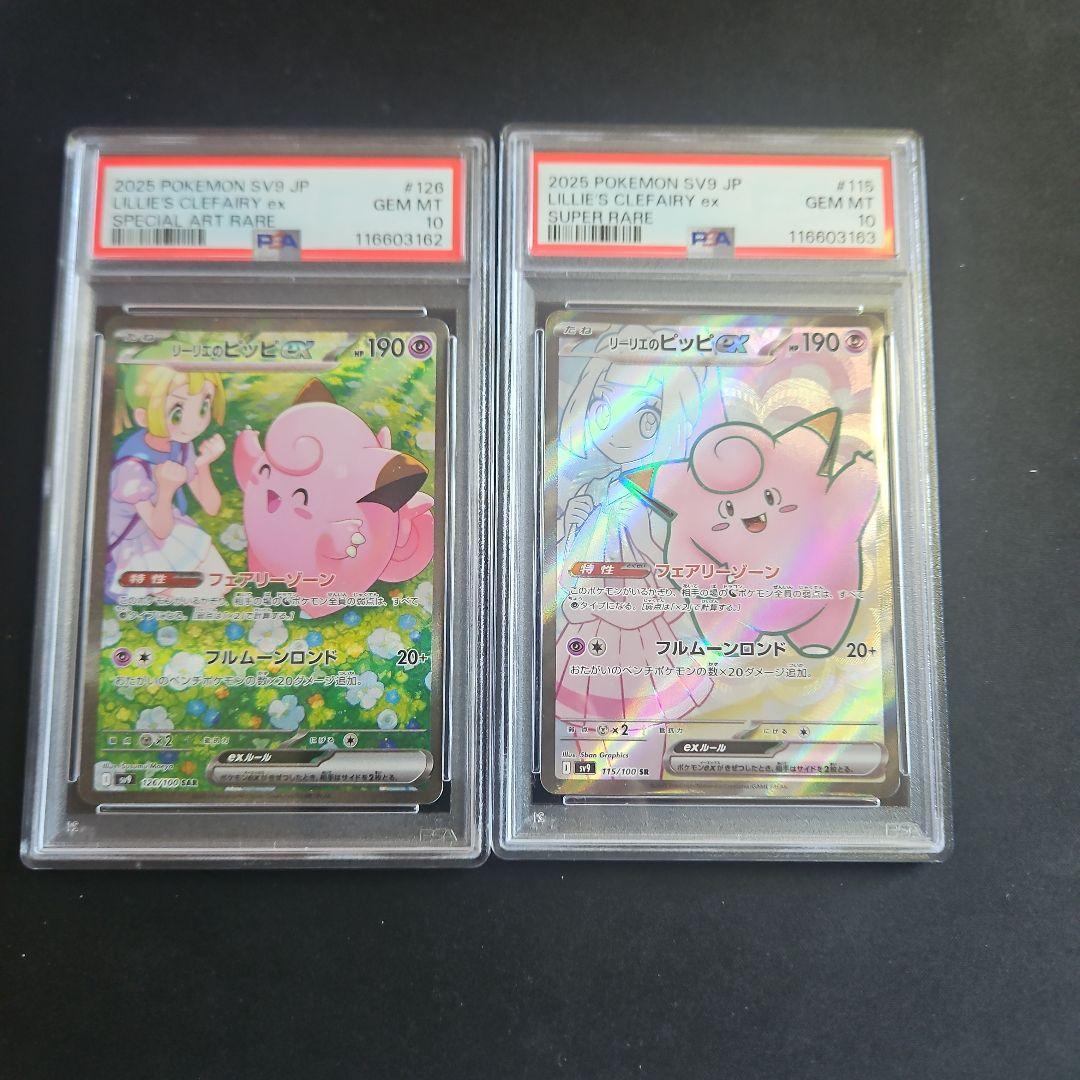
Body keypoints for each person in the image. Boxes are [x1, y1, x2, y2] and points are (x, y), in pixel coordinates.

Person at [105, 364, 230, 604]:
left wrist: (203, 465)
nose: (193, 424)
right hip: (135, 537)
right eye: (178, 413)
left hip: (168, 522)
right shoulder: (131, 467)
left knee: (222, 582)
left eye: (203, 407)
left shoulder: (181, 445)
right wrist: (166, 490)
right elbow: (158, 529)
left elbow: (211, 507)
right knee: (209, 593)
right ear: (143, 417)